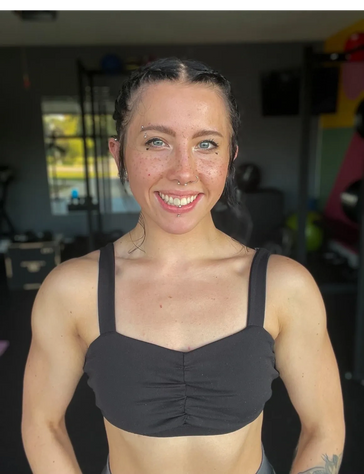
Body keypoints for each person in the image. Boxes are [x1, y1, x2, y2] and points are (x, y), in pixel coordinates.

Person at [21, 57, 345, 474]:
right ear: (118, 153)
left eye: (206, 144)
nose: (184, 171)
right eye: (157, 141)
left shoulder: (285, 285)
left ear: (231, 157)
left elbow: (324, 427)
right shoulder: (71, 290)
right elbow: (41, 422)